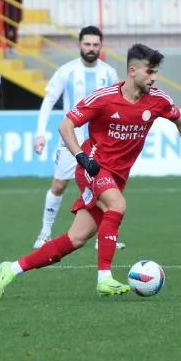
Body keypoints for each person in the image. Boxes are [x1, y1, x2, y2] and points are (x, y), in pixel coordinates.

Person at [0, 43, 181, 299]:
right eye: (149, 72)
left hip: (117, 176)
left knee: (76, 239)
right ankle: (104, 278)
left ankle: (12, 268)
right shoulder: (104, 98)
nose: (154, 78)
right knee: (117, 206)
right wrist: (82, 158)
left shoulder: (158, 101)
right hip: (93, 167)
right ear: (132, 71)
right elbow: (66, 126)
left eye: (156, 73)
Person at [30, 25, 121, 251]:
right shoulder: (66, 71)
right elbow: (49, 100)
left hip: (101, 142)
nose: (91, 48)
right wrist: (40, 134)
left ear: (101, 46)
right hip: (72, 140)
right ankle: (44, 233)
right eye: (87, 44)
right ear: (79, 45)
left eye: (95, 45)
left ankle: (104, 237)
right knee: (59, 186)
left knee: (103, 188)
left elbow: (116, 105)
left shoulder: (109, 72)